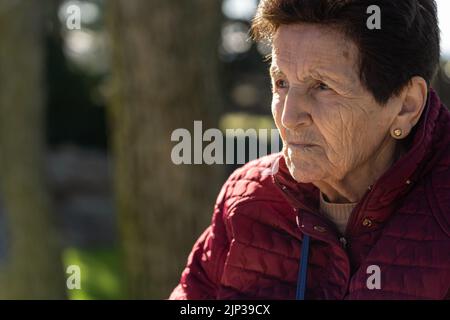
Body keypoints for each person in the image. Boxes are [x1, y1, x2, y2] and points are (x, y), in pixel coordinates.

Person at [170, 0, 450, 299]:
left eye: (322, 86)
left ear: (405, 106)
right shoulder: (247, 200)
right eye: (281, 83)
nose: (289, 118)